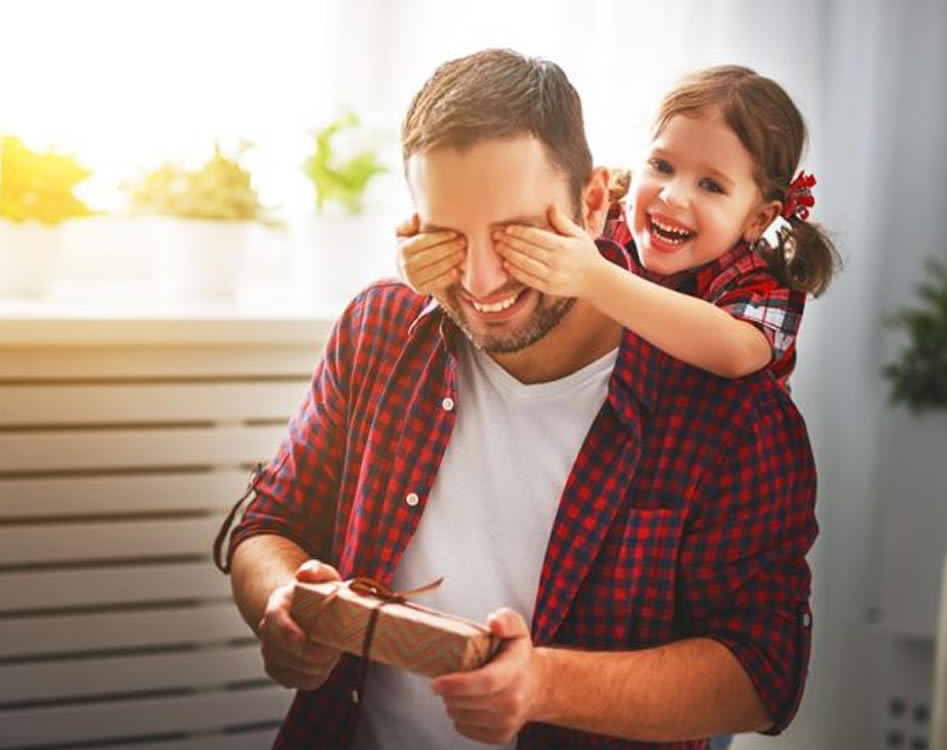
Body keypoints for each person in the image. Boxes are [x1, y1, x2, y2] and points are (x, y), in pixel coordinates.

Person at [215, 49, 818, 750]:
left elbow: (765, 673)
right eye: (447, 234)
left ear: (593, 204)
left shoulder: (735, 412)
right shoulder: (379, 330)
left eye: (514, 235)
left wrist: (543, 687)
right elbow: (268, 523)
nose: (478, 279)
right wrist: (283, 605)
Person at [398, 65, 840, 392]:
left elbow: (736, 354)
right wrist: (423, 258)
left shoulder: (761, 275)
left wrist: (595, 279)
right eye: (662, 166)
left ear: (758, 218)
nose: (672, 196)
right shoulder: (606, 213)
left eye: (711, 185)